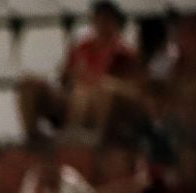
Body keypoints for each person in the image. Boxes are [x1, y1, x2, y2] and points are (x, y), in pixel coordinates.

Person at [17, 0, 142, 141]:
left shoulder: (124, 54)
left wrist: (96, 83)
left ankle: (85, 140)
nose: (102, 24)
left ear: (116, 24)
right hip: (71, 102)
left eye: (107, 20)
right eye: (99, 19)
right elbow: (64, 78)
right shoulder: (82, 48)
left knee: (90, 92)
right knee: (28, 84)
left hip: (99, 105)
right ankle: (33, 138)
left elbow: (133, 89)